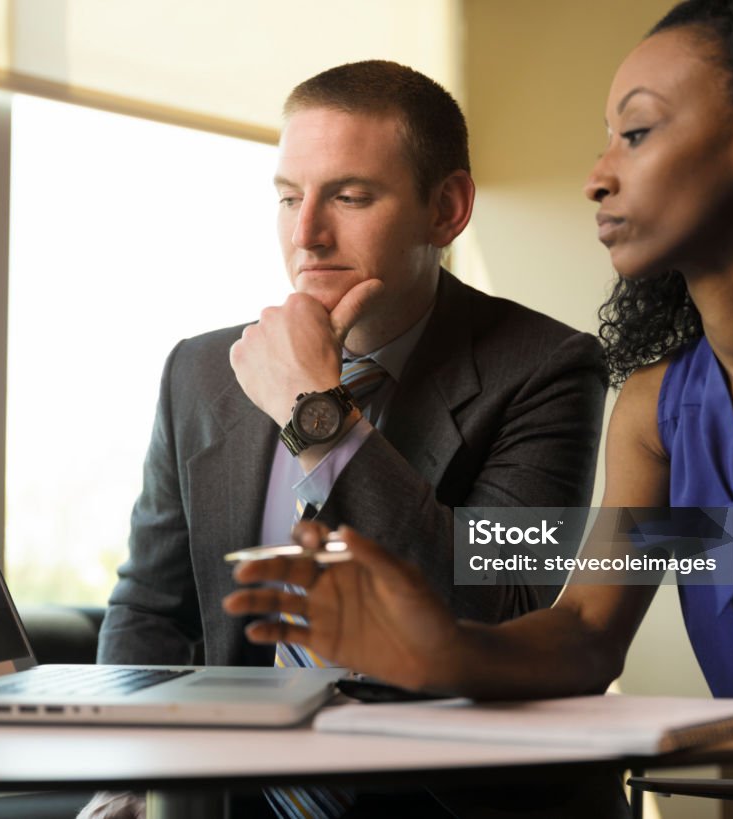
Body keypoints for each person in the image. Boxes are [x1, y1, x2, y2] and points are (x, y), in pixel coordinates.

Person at [223, 1, 733, 816]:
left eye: (635, 133)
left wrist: (321, 416)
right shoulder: (662, 413)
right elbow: (588, 633)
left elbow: (503, 568)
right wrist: (440, 647)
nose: (597, 175)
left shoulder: (553, 371)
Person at [96, 60, 608, 671]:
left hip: (428, 760)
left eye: (349, 197)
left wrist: (316, 411)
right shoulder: (200, 369)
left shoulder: (547, 367)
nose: (306, 234)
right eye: (289, 198)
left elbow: (497, 607)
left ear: (447, 208)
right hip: (232, 759)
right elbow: (150, 611)